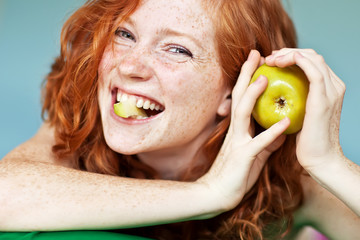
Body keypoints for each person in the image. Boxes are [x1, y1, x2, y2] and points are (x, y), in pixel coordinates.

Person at [1, 0, 359, 239]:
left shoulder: (292, 182)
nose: (128, 66)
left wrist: (330, 163)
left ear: (234, 93)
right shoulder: (80, 126)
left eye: (177, 49)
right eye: (125, 35)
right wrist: (208, 194)